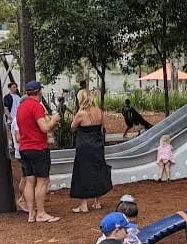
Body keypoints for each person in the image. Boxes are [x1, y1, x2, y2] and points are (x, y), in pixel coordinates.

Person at [15, 80, 61, 223]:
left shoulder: (21, 107)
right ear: (38, 92)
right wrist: (53, 120)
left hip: (24, 148)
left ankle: (31, 214)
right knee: (42, 181)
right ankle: (41, 213)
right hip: (38, 147)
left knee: (30, 181)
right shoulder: (36, 106)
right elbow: (44, 128)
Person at [70, 90, 112, 213]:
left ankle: (83, 205)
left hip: (84, 146)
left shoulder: (81, 114)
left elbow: (72, 127)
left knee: (82, 172)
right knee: (97, 170)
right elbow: (102, 127)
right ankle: (97, 202)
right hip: (97, 144)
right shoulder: (99, 111)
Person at [11, 108, 29, 214]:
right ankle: (22, 199)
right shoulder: (18, 120)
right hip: (22, 150)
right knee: (28, 178)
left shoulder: (17, 119)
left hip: (21, 151)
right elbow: (18, 138)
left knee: (25, 176)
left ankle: (24, 199)